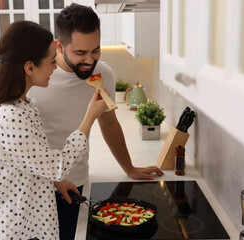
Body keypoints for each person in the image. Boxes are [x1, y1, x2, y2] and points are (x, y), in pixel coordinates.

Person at [27, 3, 164, 240]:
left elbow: (109, 124)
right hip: (34, 184)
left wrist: (129, 168)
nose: (90, 60)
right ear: (59, 46)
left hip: (73, 181)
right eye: (80, 53)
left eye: (96, 50)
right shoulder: (36, 77)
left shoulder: (103, 74)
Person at [0, 20, 108, 240]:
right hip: (9, 228)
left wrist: (54, 182)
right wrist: (89, 116)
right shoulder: (9, 116)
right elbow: (57, 165)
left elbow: (28, 161)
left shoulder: (24, 105)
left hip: (26, 220)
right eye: (52, 61)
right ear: (30, 67)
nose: (55, 67)